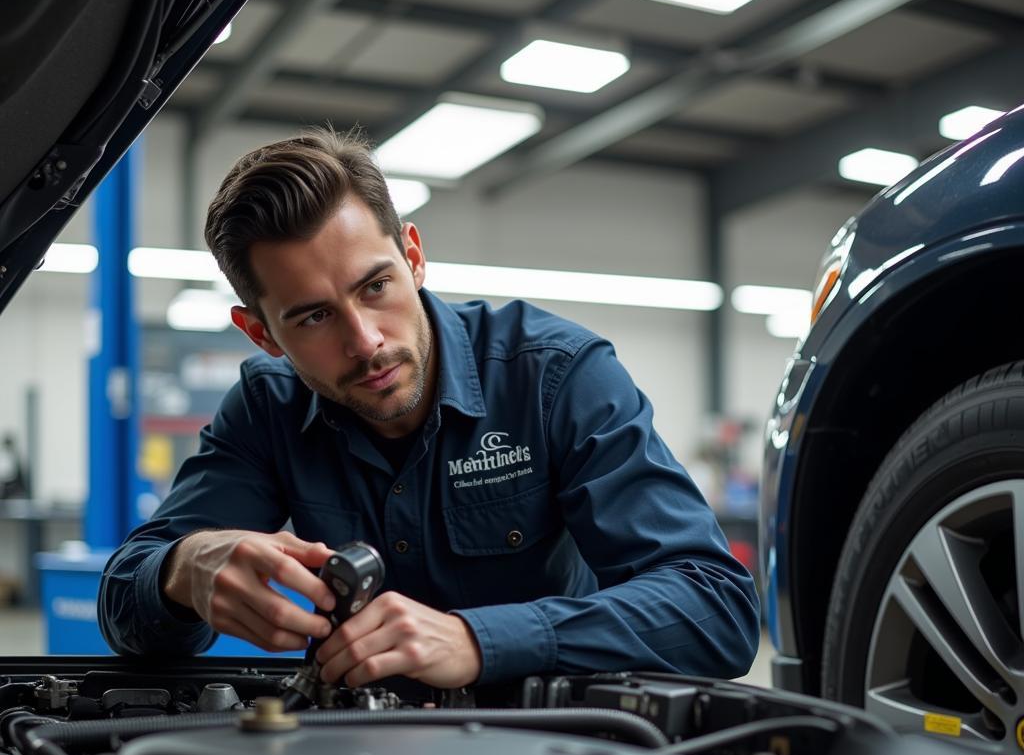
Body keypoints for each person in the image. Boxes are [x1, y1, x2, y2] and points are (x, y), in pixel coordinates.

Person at [98, 127, 760, 693]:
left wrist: (480, 640)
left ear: (413, 257)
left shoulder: (556, 377)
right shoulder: (266, 408)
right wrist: (182, 570)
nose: (366, 341)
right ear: (262, 334)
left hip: (554, 749)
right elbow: (123, 597)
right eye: (315, 317)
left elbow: (715, 607)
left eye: (375, 285)